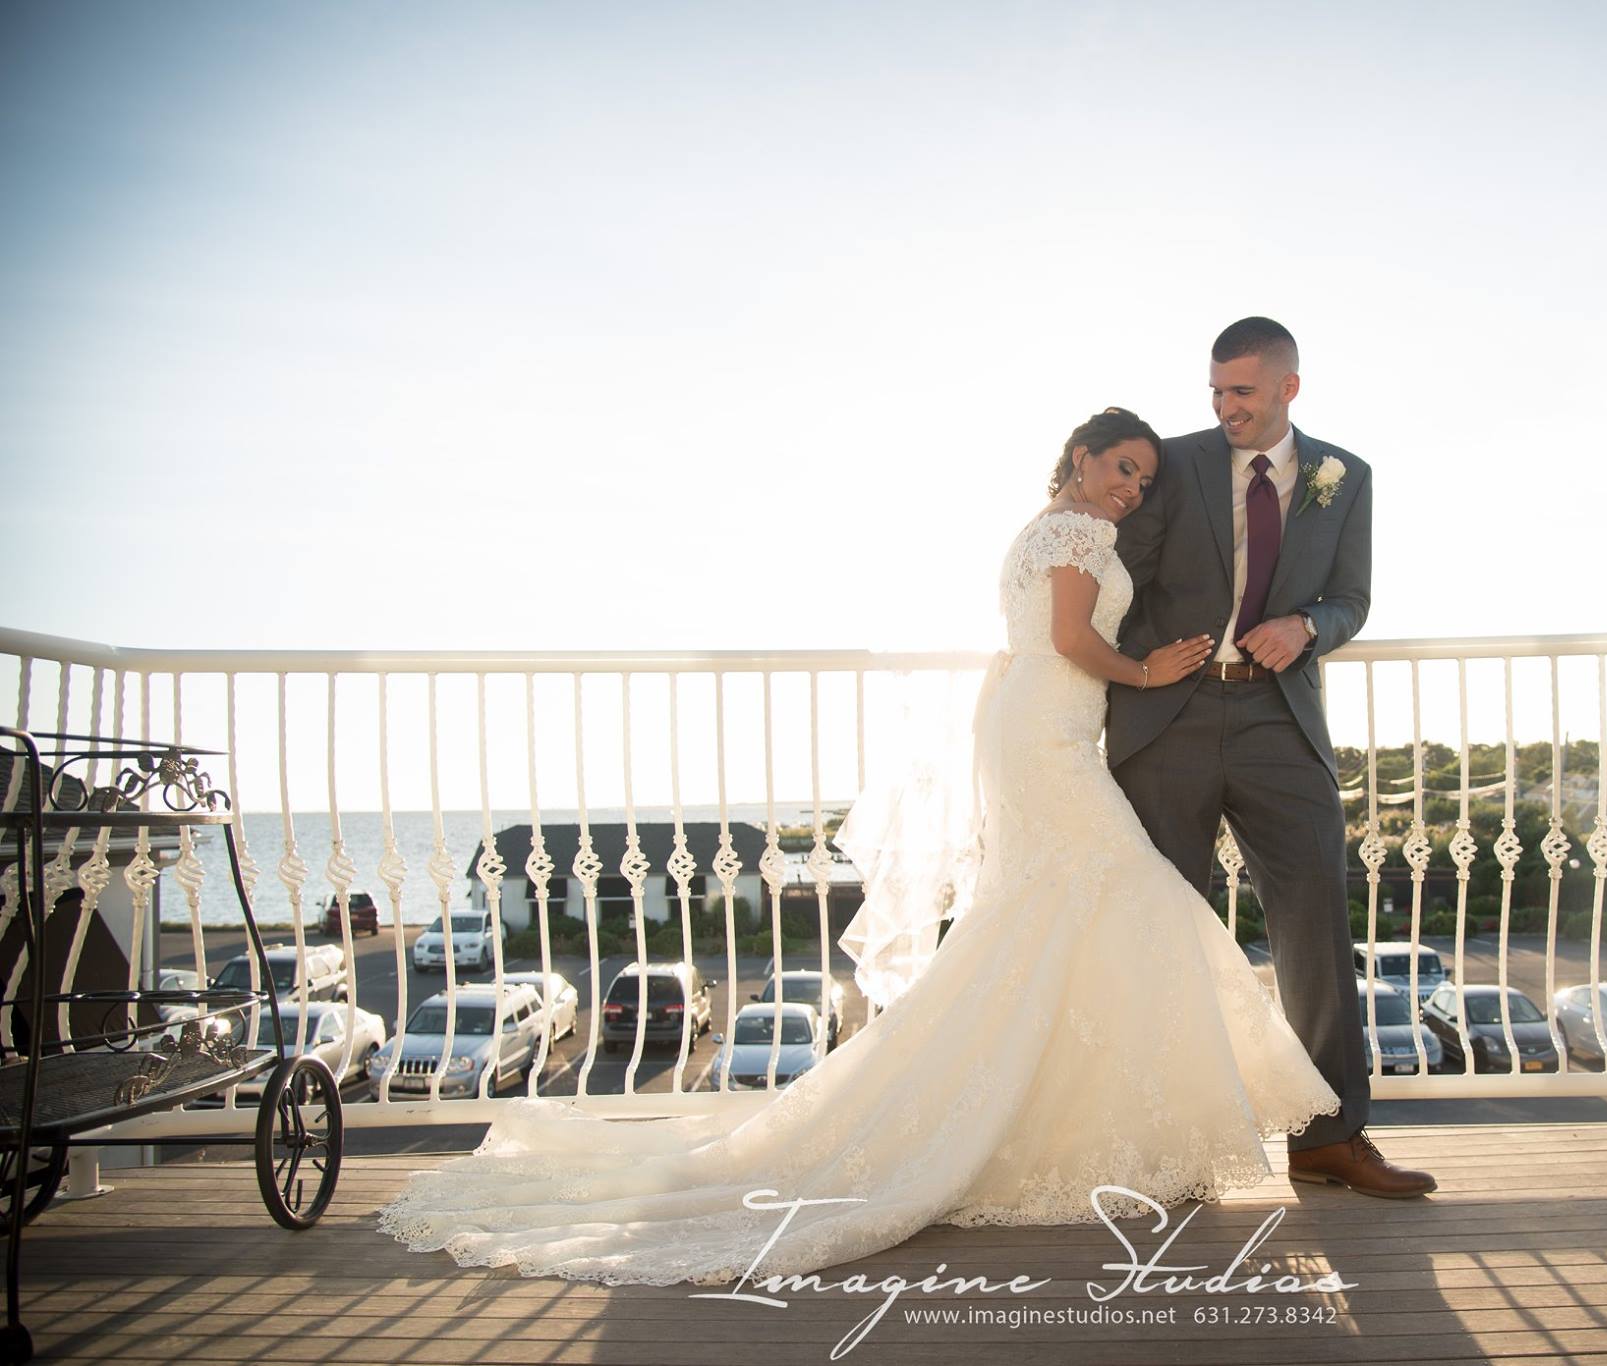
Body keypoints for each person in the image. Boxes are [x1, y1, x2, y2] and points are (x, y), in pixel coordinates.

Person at [380, 407, 1358, 1288]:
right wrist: (1143, 667)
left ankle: (1084, 1123)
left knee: (1052, 915)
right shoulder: (1067, 531)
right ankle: (1066, 1125)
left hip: (1041, 728)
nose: (1131, 487)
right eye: (1120, 468)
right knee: (1123, 893)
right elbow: (1067, 637)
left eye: (1143, 478)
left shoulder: (1056, 530)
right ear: (1077, 457)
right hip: (1045, 729)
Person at [1108, 318, 1437, 1199]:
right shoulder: (1171, 463)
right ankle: (1169, 1150)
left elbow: (1353, 598)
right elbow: (1113, 565)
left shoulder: (1345, 476)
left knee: (1316, 925)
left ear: (1289, 387)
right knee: (1167, 929)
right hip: (1165, 716)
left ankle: (1330, 1139)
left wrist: (1309, 625)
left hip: (1278, 718)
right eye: (1215, 392)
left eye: (1242, 392)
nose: (1225, 409)